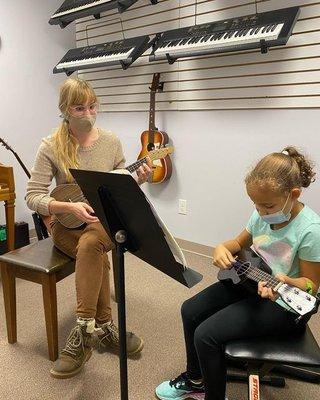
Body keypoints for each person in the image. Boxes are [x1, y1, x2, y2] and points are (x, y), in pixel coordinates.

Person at [155, 146, 320, 400]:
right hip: (255, 280)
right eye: (256, 205)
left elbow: (310, 286)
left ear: (294, 194)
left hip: (285, 303)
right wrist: (222, 248)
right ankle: (197, 380)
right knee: (190, 310)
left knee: (206, 335)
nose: (262, 213)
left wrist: (286, 282)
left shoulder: (310, 230)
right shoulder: (261, 214)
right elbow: (238, 243)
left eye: (267, 206)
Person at [26, 78, 151, 379]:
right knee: (90, 251)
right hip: (65, 224)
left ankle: (82, 332)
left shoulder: (111, 142)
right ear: (65, 110)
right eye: (79, 108)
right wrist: (67, 207)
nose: (88, 113)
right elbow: (32, 196)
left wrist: (141, 177)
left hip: (102, 221)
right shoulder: (50, 146)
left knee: (92, 244)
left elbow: (122, 183)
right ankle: (106, 329)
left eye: (92, 106)